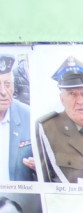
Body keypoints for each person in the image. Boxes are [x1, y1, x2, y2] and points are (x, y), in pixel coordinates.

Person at [35, 56, 83, 185]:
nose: (80, 101)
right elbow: (45, 182)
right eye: (72, 94)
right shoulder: (48, 128)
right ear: (62, 99)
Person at [1, 54, 36, 182]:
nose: (3, 92)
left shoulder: (29, 116)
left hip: (18, 195)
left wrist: (39, 167)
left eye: (7, 84)